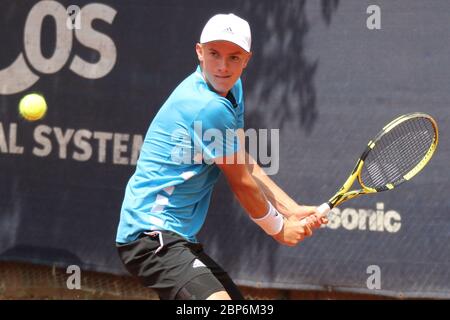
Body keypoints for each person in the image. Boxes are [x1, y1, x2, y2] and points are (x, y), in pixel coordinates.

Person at [116, 13, 327, 300]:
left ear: (247, 60)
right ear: (199, 52)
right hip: (151, 235)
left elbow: (241, 162)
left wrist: (291, 209)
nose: (223, 66)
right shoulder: (208, 107)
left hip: (177, 237)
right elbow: (241, 183)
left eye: (234, 57)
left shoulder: (231, 90)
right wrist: (279, 229)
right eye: (214, 54)